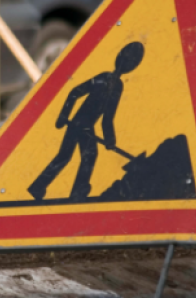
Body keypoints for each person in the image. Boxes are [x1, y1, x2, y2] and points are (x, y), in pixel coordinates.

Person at [27, 41, 144, 202]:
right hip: (80, 124)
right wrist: (63, 115)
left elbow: (106, 117)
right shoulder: (110, 82)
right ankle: (73, 191)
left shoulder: (110, 82)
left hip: (83, 125)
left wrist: (110, 139)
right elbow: (76, 93)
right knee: (79, 156)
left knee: (72, 156)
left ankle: (44, 187)